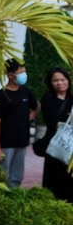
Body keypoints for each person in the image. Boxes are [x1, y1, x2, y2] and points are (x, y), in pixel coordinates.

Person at [0, 59, 39, 189]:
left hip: (22, 141)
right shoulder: (2, 95)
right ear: (10, 75)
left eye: (24, 71)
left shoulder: (26, 92)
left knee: (16, 176)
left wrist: (30, 117)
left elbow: (36, 106)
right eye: (20, 72)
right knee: (2, 175)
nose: (24, 75)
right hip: (6, 143)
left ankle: (13, 196)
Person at [37, 67, 73, 203]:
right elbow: (52, 121)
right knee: (54, 180)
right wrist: (67, 119)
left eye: (62, 79)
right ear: (50, 83)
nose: (60, 83)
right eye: (55, 80)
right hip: (56, 145)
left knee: (69, 180)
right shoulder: (48, 98)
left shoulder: (71, 98)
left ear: (68, 80)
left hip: (70, 147)